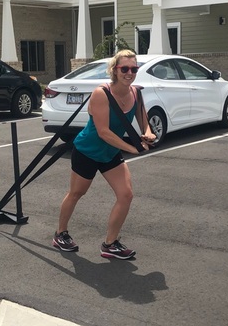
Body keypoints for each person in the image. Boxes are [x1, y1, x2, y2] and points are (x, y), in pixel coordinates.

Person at [53, 49, 156, 259]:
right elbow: (103, 132)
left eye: (134, 69)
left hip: (110, 152)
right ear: (115, 70)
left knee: (126, 195)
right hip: (88, 151)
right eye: (124, 69)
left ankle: (110, 244)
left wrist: (148, 133)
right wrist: (132, 148)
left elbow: (144, 121)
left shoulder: (136, 93)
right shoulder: (102, 93)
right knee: (76, 193)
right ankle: (60, 234)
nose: (129, 73)